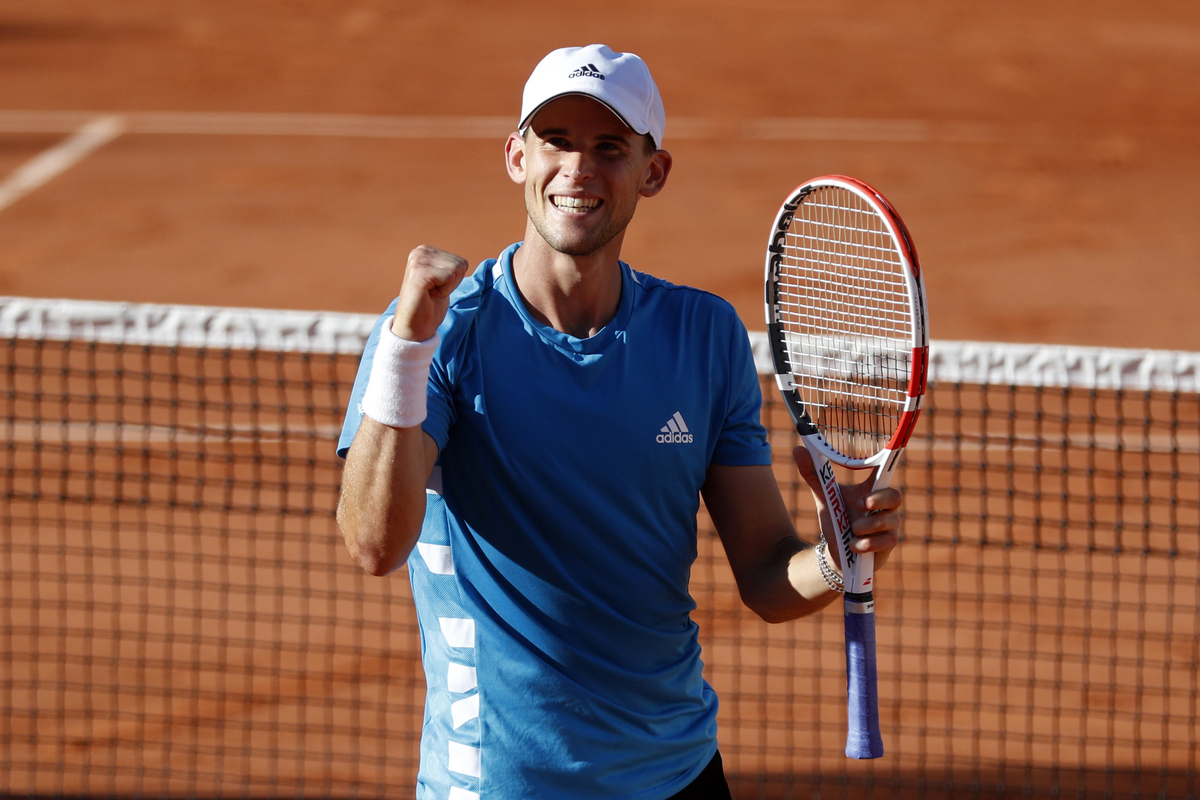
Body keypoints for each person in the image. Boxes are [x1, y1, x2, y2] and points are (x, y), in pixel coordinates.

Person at [336, 44, 902, 800]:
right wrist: (407, 345)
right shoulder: (439, 333)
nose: (578, 169)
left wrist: (835, 557)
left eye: (609, 147)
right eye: (556, 141)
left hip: (678, 776)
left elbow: (769, 574)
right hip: (499, 786)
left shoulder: (703, 335)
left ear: (652, 172)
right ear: (517, 157)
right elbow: (374, 545)